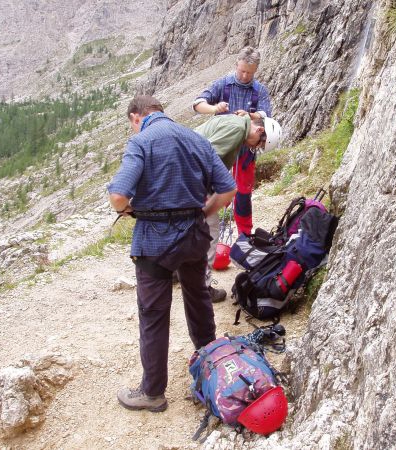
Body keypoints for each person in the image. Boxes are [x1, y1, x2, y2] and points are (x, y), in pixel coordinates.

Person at [108, 95, 236, 412]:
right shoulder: (196, 138)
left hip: (154, 242)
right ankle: (211, 361)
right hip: (194, 235)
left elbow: (118, 196)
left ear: (136, 117)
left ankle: (152, 393)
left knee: (153, 314)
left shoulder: (141, 142)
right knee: (198, 296)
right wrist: (203, 211)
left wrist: (128, 210)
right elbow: (229, 188)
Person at [194, 113, 282, 302]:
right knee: (209, 229)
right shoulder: (237, 130)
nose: (256, 147)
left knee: (187, 225)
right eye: (260, 143)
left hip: (186, 174)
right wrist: (220, 189)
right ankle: (202, 287)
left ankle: (177, 271)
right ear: (259, 130)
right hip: (192, 178)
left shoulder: (234, 124)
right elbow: (207, 157)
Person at [193, 46, 272, 237]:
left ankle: (244, 235)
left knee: (243, 193)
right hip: (220, 145)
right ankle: (205, 228)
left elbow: (265, 117)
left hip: (245, 152)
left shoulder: (260, 90)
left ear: (255, 71)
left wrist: (250, 115)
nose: (245, 76)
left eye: (249, 73)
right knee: (210, 187)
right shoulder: (223, 84)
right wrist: (214, 108)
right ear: (236, 64)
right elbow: (197, 104)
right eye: (242, 70)